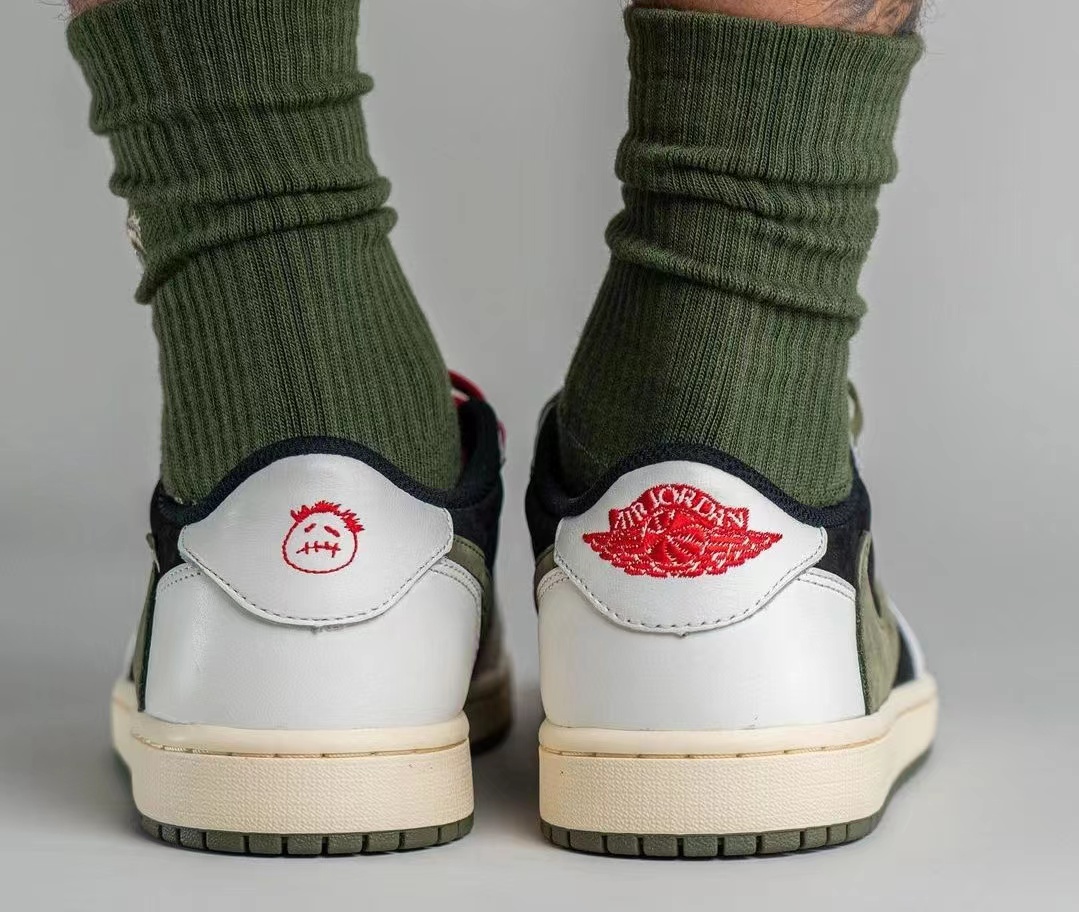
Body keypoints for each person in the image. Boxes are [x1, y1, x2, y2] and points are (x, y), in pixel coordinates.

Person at [68, 0, 938, 857]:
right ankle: (756, 525)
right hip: (781, 606)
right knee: (739, 254)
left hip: (230, 591)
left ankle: (273, 531)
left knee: (248, 203)